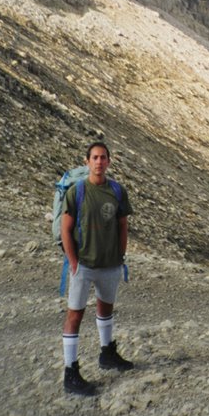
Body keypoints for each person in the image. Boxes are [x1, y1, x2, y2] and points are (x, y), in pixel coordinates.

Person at [60, 140, 134, 395]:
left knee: (106, 308)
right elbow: (65, 229)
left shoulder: (117, 191)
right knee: (75, 315)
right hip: (84, 265)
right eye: (95, 157)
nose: (99, 162)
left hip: (110, 264)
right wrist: (73, 261)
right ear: (87, 161)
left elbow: (122, 224)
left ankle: (107, 353)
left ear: (109, 162)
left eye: (103, 157)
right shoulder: (77, 192)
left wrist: (121, 254)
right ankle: (70, 371)